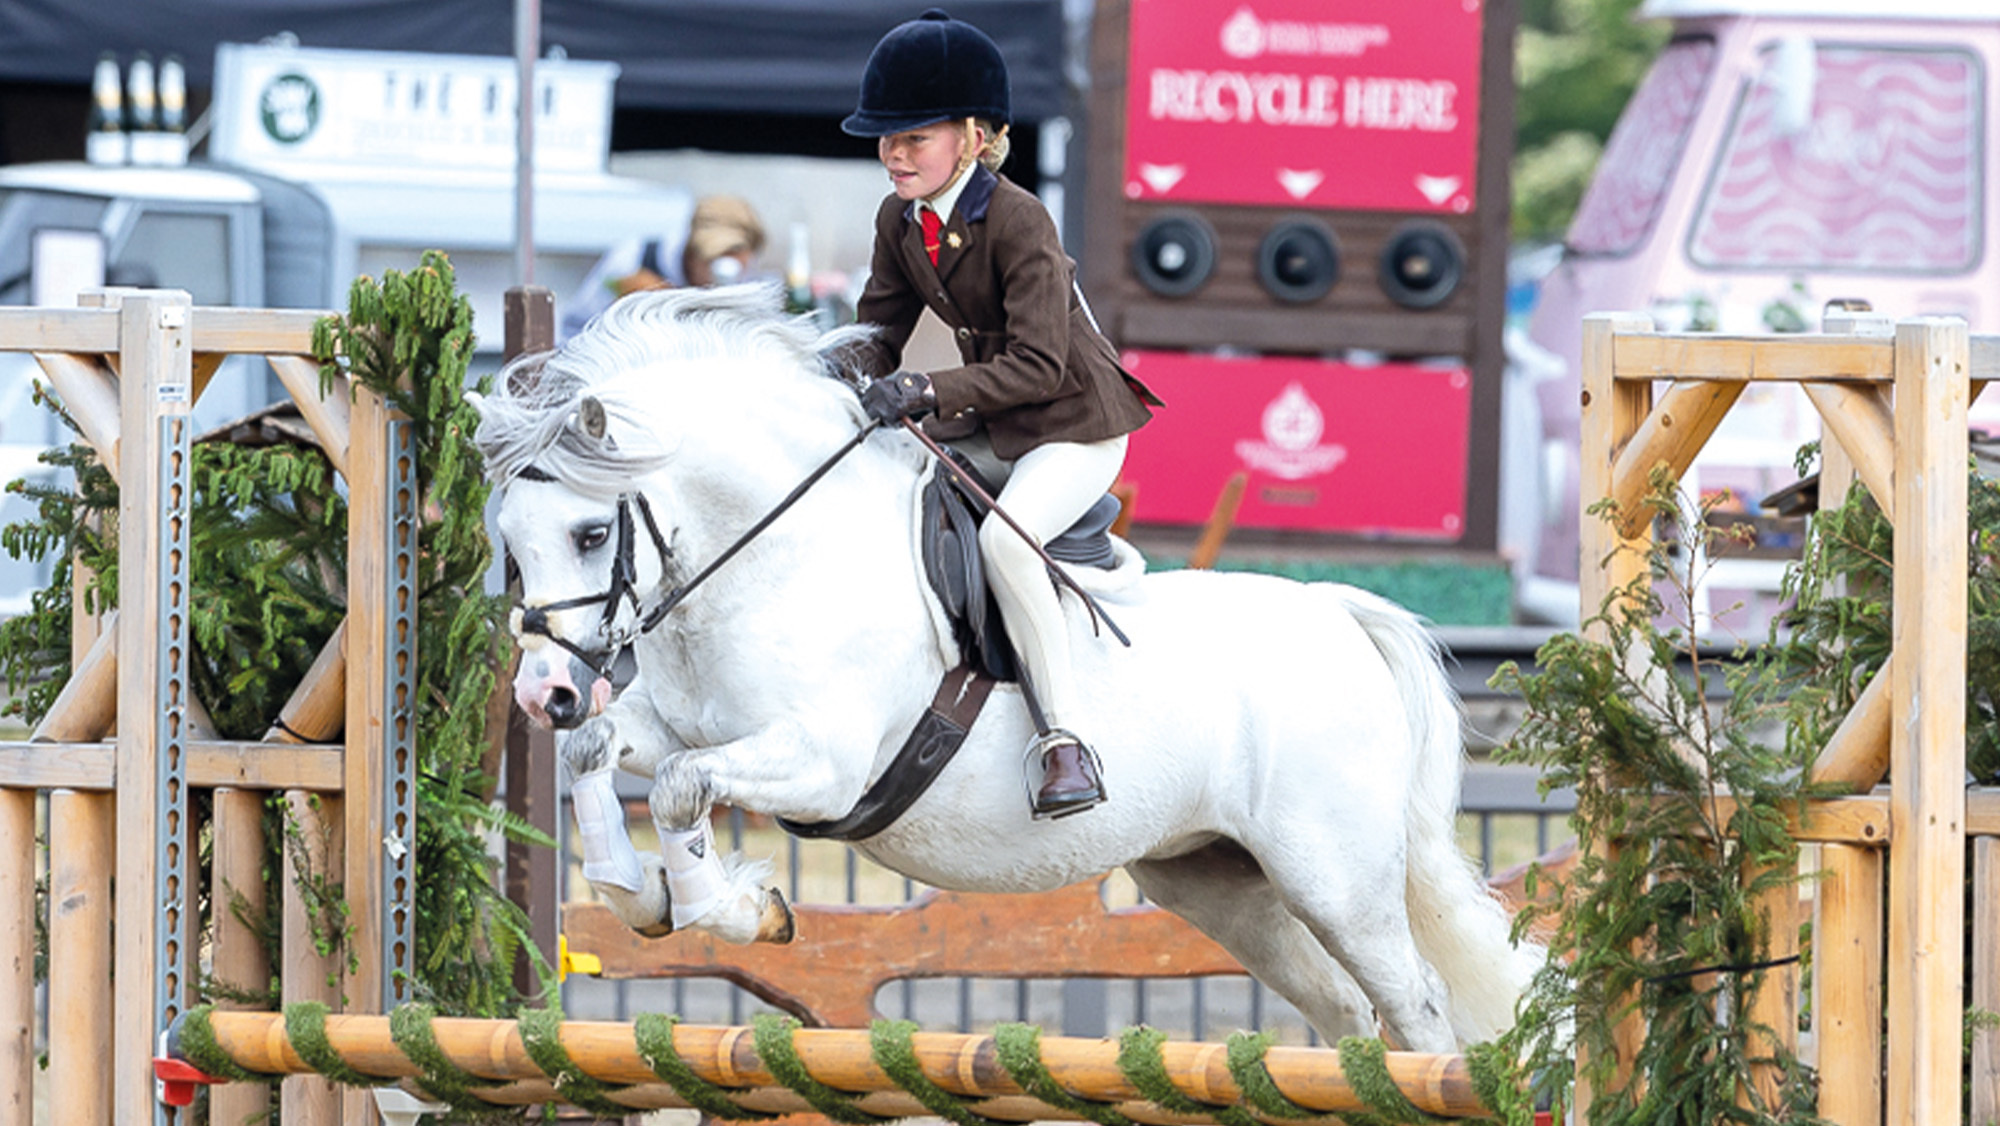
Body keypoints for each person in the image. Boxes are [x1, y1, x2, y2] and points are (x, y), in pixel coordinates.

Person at [845, 8, 1162, 820]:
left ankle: (1066, 742)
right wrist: (825, 380)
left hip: (1074, 424)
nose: (893, 154)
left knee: (1005, 544)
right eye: (886, 139)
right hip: (995, 418)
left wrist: (924, 391)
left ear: (975, 138)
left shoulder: (1020, 217)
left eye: (914, 138)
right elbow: (875, 335)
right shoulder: (900, 219)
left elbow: (1039, 366)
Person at [560, 194, 767, 340]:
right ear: (693, 254)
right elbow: (573, 330)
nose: (726, 282)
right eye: (717, 268)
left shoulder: (750, 281)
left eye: (739, 269)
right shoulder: (633, 262)